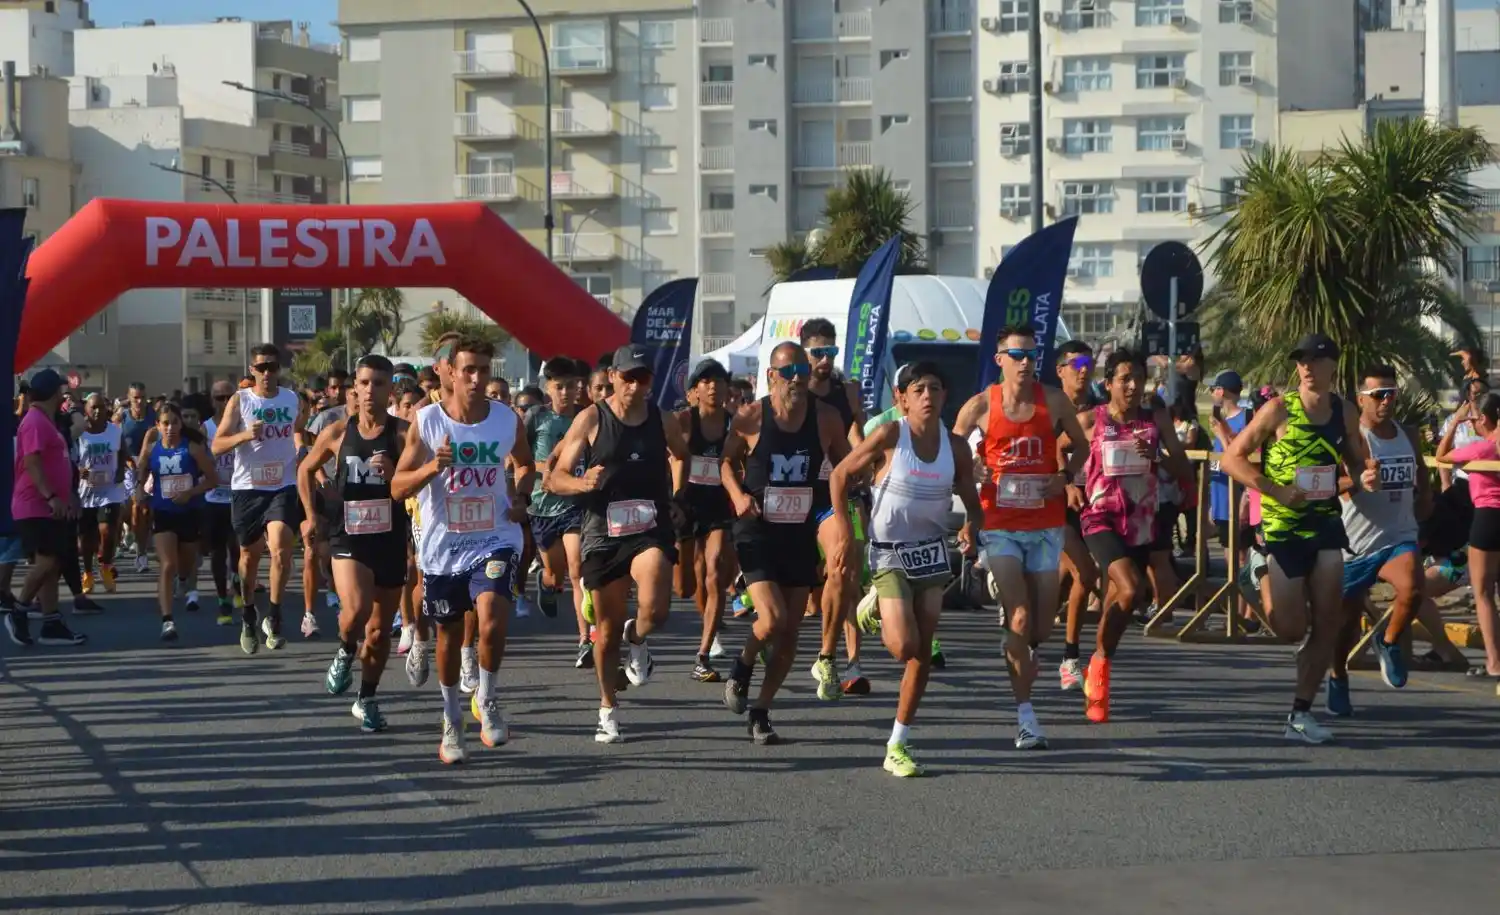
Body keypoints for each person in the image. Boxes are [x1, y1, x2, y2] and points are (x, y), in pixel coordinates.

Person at [1221, 334, 1377, 743]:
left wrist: (1364, 476)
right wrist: (1274, 491)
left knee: (1329, 620)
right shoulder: (1278, 410)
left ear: (1331, 367)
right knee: (1290, 629)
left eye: (1315, 360)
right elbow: (1230, 458)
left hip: (1325, 523)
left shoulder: (1343, 412)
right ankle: (1257, 572)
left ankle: (1300, 713)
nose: (1306, 368)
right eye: (1301, 361)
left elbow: (1355, 463)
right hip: (1282, 528)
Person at [836, 362, 983, 776]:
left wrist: (973, 524)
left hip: (932, 553)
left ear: (944, 397)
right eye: (918, 389)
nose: (927, 396)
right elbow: (843, 475)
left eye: (935, 388)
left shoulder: (956, 448)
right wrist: (847, 534)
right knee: (902, 646)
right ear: (901, 399)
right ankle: (877, 605)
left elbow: (970, 496)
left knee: (920, 651)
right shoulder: (888, 436)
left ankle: (898, 742)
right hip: (888, 552)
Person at [393, 335, 534, 763]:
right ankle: (452, 718)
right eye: (468, 370)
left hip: (494, 536)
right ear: (449, 372)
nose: (475, 378)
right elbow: (398, 487)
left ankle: (487, 699)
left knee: (491, 615)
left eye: (483, 371)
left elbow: (525, 464)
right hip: (443, 545)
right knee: (449, 637)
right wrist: (433, 466)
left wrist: (521, 495)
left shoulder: (506, 420)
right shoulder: (428, 421)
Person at [954, 326, 1090, 748]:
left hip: (1046, 526)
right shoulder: (979, 405)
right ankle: (1027, 718)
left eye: (1032, 355)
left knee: (1041, 630)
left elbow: (1082, 448)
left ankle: (1020, 645)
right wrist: (970, 473)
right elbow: (953, 450)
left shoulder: (1054, 401)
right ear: (1001, 361)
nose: (1027, 362)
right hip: (1001, 526)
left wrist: (1063, 476)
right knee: (1019, 617)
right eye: (1018, 355)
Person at [547, 345, 690, 743]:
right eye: (628, 377)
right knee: (605, 634)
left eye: (642, 378)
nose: (635, 385)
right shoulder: (592, 419)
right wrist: (581, 484)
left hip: (649, 527)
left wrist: (678, 498)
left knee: (657, 609)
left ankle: (639, 637)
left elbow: (681, 456)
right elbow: (554, 477)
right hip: (603, 532)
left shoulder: (662, 419)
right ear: (612, 376)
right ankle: (608, 707)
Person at [719, 342, 852, 744]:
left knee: (791, 633)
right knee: (772, 619)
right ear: (771, 377)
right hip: (757, 530)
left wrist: (859, 481)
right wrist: (739, 496)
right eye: (787, 369)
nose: (796, 376)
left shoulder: (826, 417)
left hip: (798, 530)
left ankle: (761, 709)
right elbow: (725, 462)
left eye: (801, 369)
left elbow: (846, 465)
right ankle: (743, 665)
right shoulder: (751, 417)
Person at [1075, 349, 1192, 724]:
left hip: (1142, 521)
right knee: (1129, 588)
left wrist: (1155, 455)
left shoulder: (1154, 418)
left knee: (1123, 601)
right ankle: (1099, 667)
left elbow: (1181, 466)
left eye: (1137, 378)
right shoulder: (1091, 420)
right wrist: (1066, 485)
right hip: (1100, 517)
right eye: (1123, 378)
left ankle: (1100, 664)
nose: (1131, 385)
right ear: (1107, 384)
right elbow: (1058, 452)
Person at [303, 355, 412, 733]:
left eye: (378, 383)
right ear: (354, 389)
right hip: (348, 534)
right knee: (357, 610)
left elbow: (420, 484)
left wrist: (396, 474)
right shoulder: (337, 432)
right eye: (364, 383)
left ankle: (366, 697)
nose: (370, 391)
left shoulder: (403, 434)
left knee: (381, 632)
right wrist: (311, 515)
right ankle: (345, 650)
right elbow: (304, 469)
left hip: (390, 537)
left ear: (390, 390)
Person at [1327, 365, 1430, 714]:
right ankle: (1338, 676)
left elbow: (1421, 468)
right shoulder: (1351, 439)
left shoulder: (1407, 433)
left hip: (1399, 534)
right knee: (1345, 626)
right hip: (1356, 543)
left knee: (1414, 588)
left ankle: (1388, 641)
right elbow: (1330, 483)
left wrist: (1426, 498)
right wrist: (1357, 481)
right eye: (1378, 395)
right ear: (1360, 400)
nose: (1386, 401)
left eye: (1392, 394)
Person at [213, 343, 309, 655]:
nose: (267, 372)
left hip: (281, 486)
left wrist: (302, 448)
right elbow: (217, 445)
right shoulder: (240, 400)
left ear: (278, 368)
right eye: (260, 367)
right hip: (247, 489)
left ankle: (276, 614)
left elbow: (298, 429)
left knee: (281, 548)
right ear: (252, 370)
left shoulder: (292, 399)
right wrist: (244, 435)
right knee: (249, 558)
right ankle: (249, 615)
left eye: (271, 366)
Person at [799, 318, 871, 700]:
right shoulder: (792, 390)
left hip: (840, 495)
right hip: (799, 496)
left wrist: (860, 465)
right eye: (819, 352)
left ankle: (851, 662)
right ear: (804, 352)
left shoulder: (848, 392)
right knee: (806, 583)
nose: (826, 359)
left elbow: (856, 433)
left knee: (848, 570)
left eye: (832, 351)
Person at [7, 369, 88, 647]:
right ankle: (19, 610)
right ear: (55, 393)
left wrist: (67, 496)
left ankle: (51, 622)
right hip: (35, 504)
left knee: (52, 564)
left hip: (51, 504)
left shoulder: (47, 421)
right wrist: (51, 495)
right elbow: (32, 462)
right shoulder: (34, 421)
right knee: (48, 561)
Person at [675, 358, 738, 682]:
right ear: (695, 390)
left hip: (718, 503)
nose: (714, 386)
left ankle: (704, 650)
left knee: (714, 572)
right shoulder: (685, 421)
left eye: (719, 380)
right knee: (687, 584)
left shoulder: (734, 424)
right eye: (706, 381)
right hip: (686, 504)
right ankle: (706, 624)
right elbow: (669, 458)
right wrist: (672, 497)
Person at [526, 357, 590, 665]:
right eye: (559, 386)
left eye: (571, 385)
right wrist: (543, 470)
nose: (566, 392)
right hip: (541, 507)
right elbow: (517, 460)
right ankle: (547, 582)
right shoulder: (536, 418)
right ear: (548, 388)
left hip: (575, 505)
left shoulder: (588, 418)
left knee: (577, 571)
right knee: (557, 573)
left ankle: (584, 640)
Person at [138, 403, 216, 642]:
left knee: (185, 565)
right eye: (165, 423)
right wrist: (140, 492)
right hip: (163, 513)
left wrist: (190, 492)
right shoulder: (152, 450)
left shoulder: (192, 449)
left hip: (189, 513)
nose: (170, 427)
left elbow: (212, 479)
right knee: (167, 564)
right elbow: (141, 476)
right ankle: (167, 620)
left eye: (174, 422)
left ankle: (184, 581)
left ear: (180, 424)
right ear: (158, 426)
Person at [1437, 390, 1500, 683]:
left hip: (1488, 517)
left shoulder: (1483, 449)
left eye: (1474, 419)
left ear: (1485, 419)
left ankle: (1494, 662)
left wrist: (1453, 424)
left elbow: (1441, 457)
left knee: (1484, 592)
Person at [75, 393, 127, 596]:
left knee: (107, 531)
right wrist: (85, 473)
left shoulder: (114, 431)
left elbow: (123, 451)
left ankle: (105, 566)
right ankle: (87, 572)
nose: (97, 411)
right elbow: (71, 460)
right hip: (86, 491)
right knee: (86, 538)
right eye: (93, 407)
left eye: (101, 407)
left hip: (110, 490)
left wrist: (121, 470)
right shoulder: (79, 433)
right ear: (86, 409)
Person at [202, 381, 241, 625]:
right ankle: (221, 598)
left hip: (239, 494)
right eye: (219, 397)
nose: (225, 402)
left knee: (237, 546)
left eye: (229, 396)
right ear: (212, 400)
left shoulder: (243, 424)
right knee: (217, 552)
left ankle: (237, 578)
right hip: (214, 496)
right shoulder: (205, 428)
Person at [120, 381, 157, 574]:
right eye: (135, 397)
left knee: (142, 509)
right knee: (131, 509)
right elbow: (116, 444)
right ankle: (134, 536)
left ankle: (141, 553)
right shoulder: (122, 417)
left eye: (142, 397)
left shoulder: (154, 416)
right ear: (129, 397)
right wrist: (127, 462)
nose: (140, 401)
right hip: (128, 466)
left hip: (150, 466)